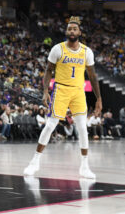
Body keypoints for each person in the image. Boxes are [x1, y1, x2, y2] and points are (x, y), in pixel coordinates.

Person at [24, 17, 102, 179]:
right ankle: (34, 162)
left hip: (78, 91)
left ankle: (85, 166)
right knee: (50, 125)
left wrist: (99, 99)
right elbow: (48, 71)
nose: (71, 31)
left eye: (74, 29)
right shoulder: (57, 49)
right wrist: (45, 91)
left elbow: (93, 77)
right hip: (60, 89)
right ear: (66, 32)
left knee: (82, 128)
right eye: (69, 29)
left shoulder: (87, 51)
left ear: (80, 32)